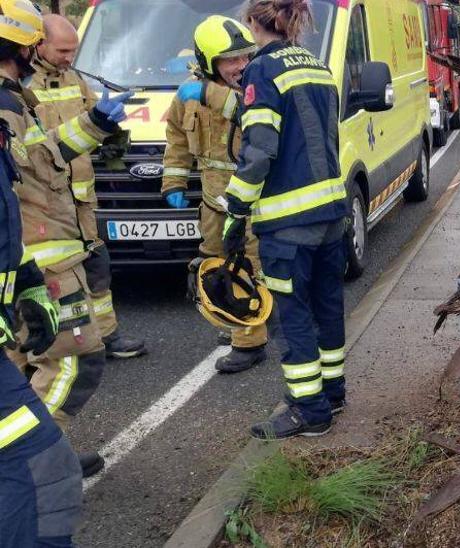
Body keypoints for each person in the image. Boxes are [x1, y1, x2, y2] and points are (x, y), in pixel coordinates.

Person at [0, 0, 131, 478]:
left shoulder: (14, 101)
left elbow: (42, 158)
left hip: (25, 258)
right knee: (75, 364)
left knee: (15, 369)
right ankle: (37, 460)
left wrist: (97, 124)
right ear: (25, 45)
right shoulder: (6, 107)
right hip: (40, 261)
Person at [225, 0, 347, 439]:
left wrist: (235, 209)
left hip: (289, 223)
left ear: (255, 23)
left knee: (292, 315)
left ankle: (308, 412)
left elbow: (260, 151)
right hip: (332, 213)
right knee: (328, 306)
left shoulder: (262, 71)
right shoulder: (316, 66)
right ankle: (333, 393)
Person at [30, 14, 147, 361]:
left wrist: (112, 132)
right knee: (51, 277)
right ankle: (54, 345)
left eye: (74, 51)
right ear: (39, 43)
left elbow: (92, 117)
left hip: (81, 199)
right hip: (42, 204)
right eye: (63, 50)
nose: (69, 57)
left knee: (97, 267)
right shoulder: (20, 85)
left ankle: (106, 336)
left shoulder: (75, 79)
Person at [163, 15, 268, 373]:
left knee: (246, 264)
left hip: (248, 203)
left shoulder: (257, 84)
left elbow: (248, 113)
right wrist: (174, 182)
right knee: (216, 262)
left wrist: (211, 93)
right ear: (208, 61)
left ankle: (249, 342)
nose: (240, 66)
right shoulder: (188, 96)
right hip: (212, 202)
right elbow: (177, 139)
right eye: (230, 60)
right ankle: (237, 318)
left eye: (244, 56)